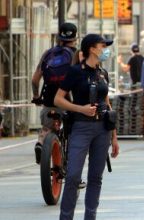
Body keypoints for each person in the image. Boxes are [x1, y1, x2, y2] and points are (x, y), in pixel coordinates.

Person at [55, 34, 120, 220]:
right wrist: (80, 109)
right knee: (73, 176)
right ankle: (66, 217)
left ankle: (90, 217)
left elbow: (107, 104)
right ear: (92, 48)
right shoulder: (76, 72)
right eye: (103, 45)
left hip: (103, 129)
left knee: (95, 178)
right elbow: (58, 99)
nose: (105, 49)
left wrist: (114, 136)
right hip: (81, 127)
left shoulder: (102, 73)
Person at [31, 22, 78, 164]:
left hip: (50, 97)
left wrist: (36, 97)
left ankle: (41, 142)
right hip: (68, 98)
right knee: (75, 133)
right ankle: (72, 167)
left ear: (59, 37)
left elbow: (35, 80)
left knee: (47, 127)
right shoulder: (76, 55)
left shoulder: (47, 54)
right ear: (75, 38)